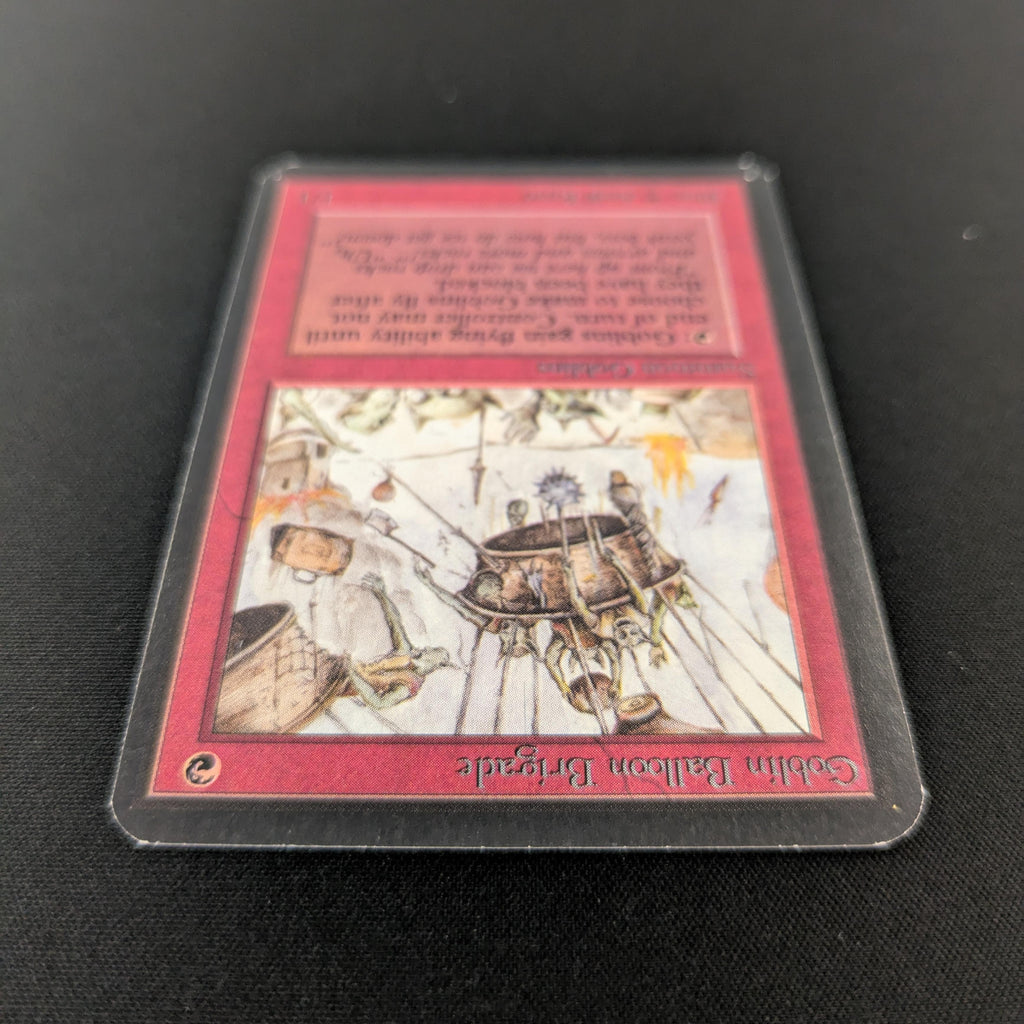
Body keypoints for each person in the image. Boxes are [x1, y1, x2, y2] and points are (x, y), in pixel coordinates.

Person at [334, 573, 450, 710]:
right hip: (353, 663)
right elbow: (395, 621)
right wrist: (381, 592)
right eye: (426, 650)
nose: (424, 649)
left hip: (347, 681)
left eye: (427, 652)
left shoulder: (408, 686)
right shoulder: (406, 654)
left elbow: (379, 703)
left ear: (432, 664)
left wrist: (351, 671)